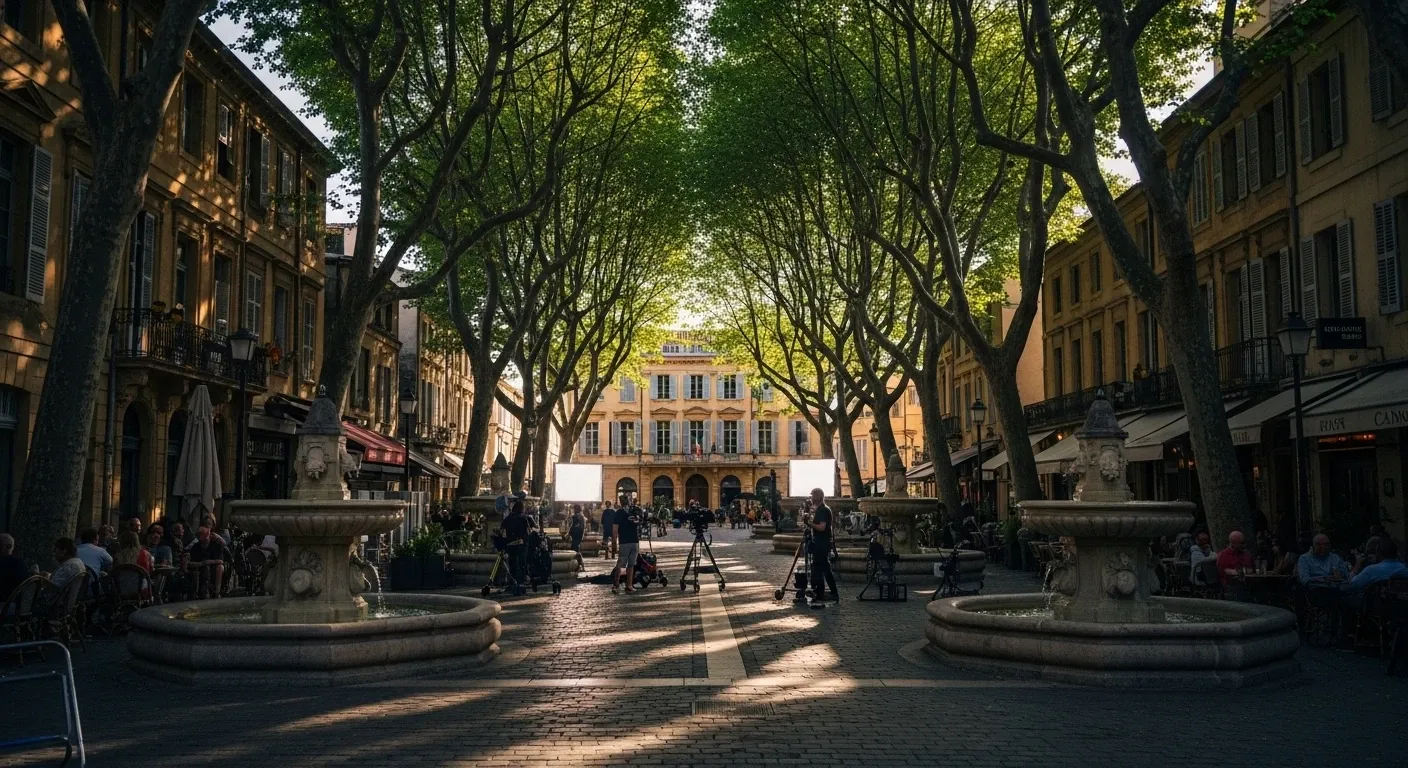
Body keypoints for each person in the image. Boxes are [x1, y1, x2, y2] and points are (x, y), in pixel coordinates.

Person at [806, 488, 838, 607]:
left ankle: (820, 594)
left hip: (821, 543)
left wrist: (810, 524)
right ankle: (830, 592)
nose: (811, 498)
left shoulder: (822, 510)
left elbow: (822, 527)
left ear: (818, 497)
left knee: (819, 568)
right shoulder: (822, 509)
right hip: (822, 543)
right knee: (824, 568)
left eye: (813, 496)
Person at [186, 526, 228, 599]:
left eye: (201, 533)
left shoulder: (216, 545)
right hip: (200, 566)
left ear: (207, 534)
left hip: (213, 567)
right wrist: (202, 563)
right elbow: (190, 562)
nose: (198, 535)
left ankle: (216, 592)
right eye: (198, 533)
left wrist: (209, 562)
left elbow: (220, 561)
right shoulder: (195, 547)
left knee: (220, 567)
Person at [502, 500, 532, 594]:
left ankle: (512, 582)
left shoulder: (508, 518)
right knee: (521, 564)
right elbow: (527, 531)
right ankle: (520, 583)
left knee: (512, 563)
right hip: (521, 544)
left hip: (511, 543)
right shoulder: (523, 518)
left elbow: (503, 529)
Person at [613, 500, 642, 594]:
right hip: (634, 541)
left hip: (624, 542)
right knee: (631, 564)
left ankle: (616, 584)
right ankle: (629, 585)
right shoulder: (634, 511)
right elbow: (639, 522)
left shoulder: (619, 513)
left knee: (621, 564)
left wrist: (614, 542)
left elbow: (615, 529)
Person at [1216, 530, 1255, 599]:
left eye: (1244, 542)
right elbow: (1225, 572)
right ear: (1233, 544)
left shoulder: (1246, 554)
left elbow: (1253, 568)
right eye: (1241, 543)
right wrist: (1242, 571)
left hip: (1249, 582)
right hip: (1232, 586)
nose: (1244, 545)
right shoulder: (1223, 556)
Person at [0, 533, 30, 602]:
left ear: (9, 546)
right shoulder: (20, 563)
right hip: (15, 604)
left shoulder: (10, 564)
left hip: (6, 604)